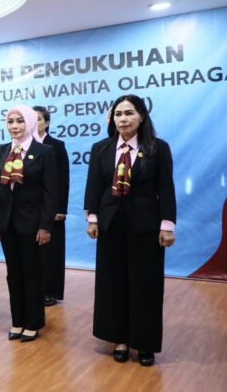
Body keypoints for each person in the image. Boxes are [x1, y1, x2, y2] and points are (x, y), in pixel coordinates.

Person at [84, 94, 176, 367]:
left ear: (141, 116)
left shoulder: (157, 148)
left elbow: (166, 188)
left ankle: (144, 342)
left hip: (146, 226)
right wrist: (93, 219)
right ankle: (119, 338)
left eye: (128, 113)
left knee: (145, 284)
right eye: (118, 114)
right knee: (112, 283)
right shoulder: (101, 148)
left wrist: (167, 225)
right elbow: (94, 186)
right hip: (110, 225)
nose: (123, 119)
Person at [0, 105, 57, 343]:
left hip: (33, 224)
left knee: (32, 272)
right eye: (10, 121)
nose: (14, 126)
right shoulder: (1, 150)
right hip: (7, 223)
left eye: (20, 121)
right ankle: (17, 320)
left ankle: (33, 322)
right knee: (13, 273)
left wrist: (45, 226)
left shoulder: (44, 152)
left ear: (30, 123)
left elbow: (50, 192)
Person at [32, 106, 70, 307]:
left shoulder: (56, 145)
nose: (34, 123)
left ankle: (50, 291)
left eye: (38, 119)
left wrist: (60, 208)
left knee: (52, 252)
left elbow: (63, 179)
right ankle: (35, 289)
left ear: (46, 123)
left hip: (52, 207)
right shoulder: (23, 146)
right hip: (30, 208)